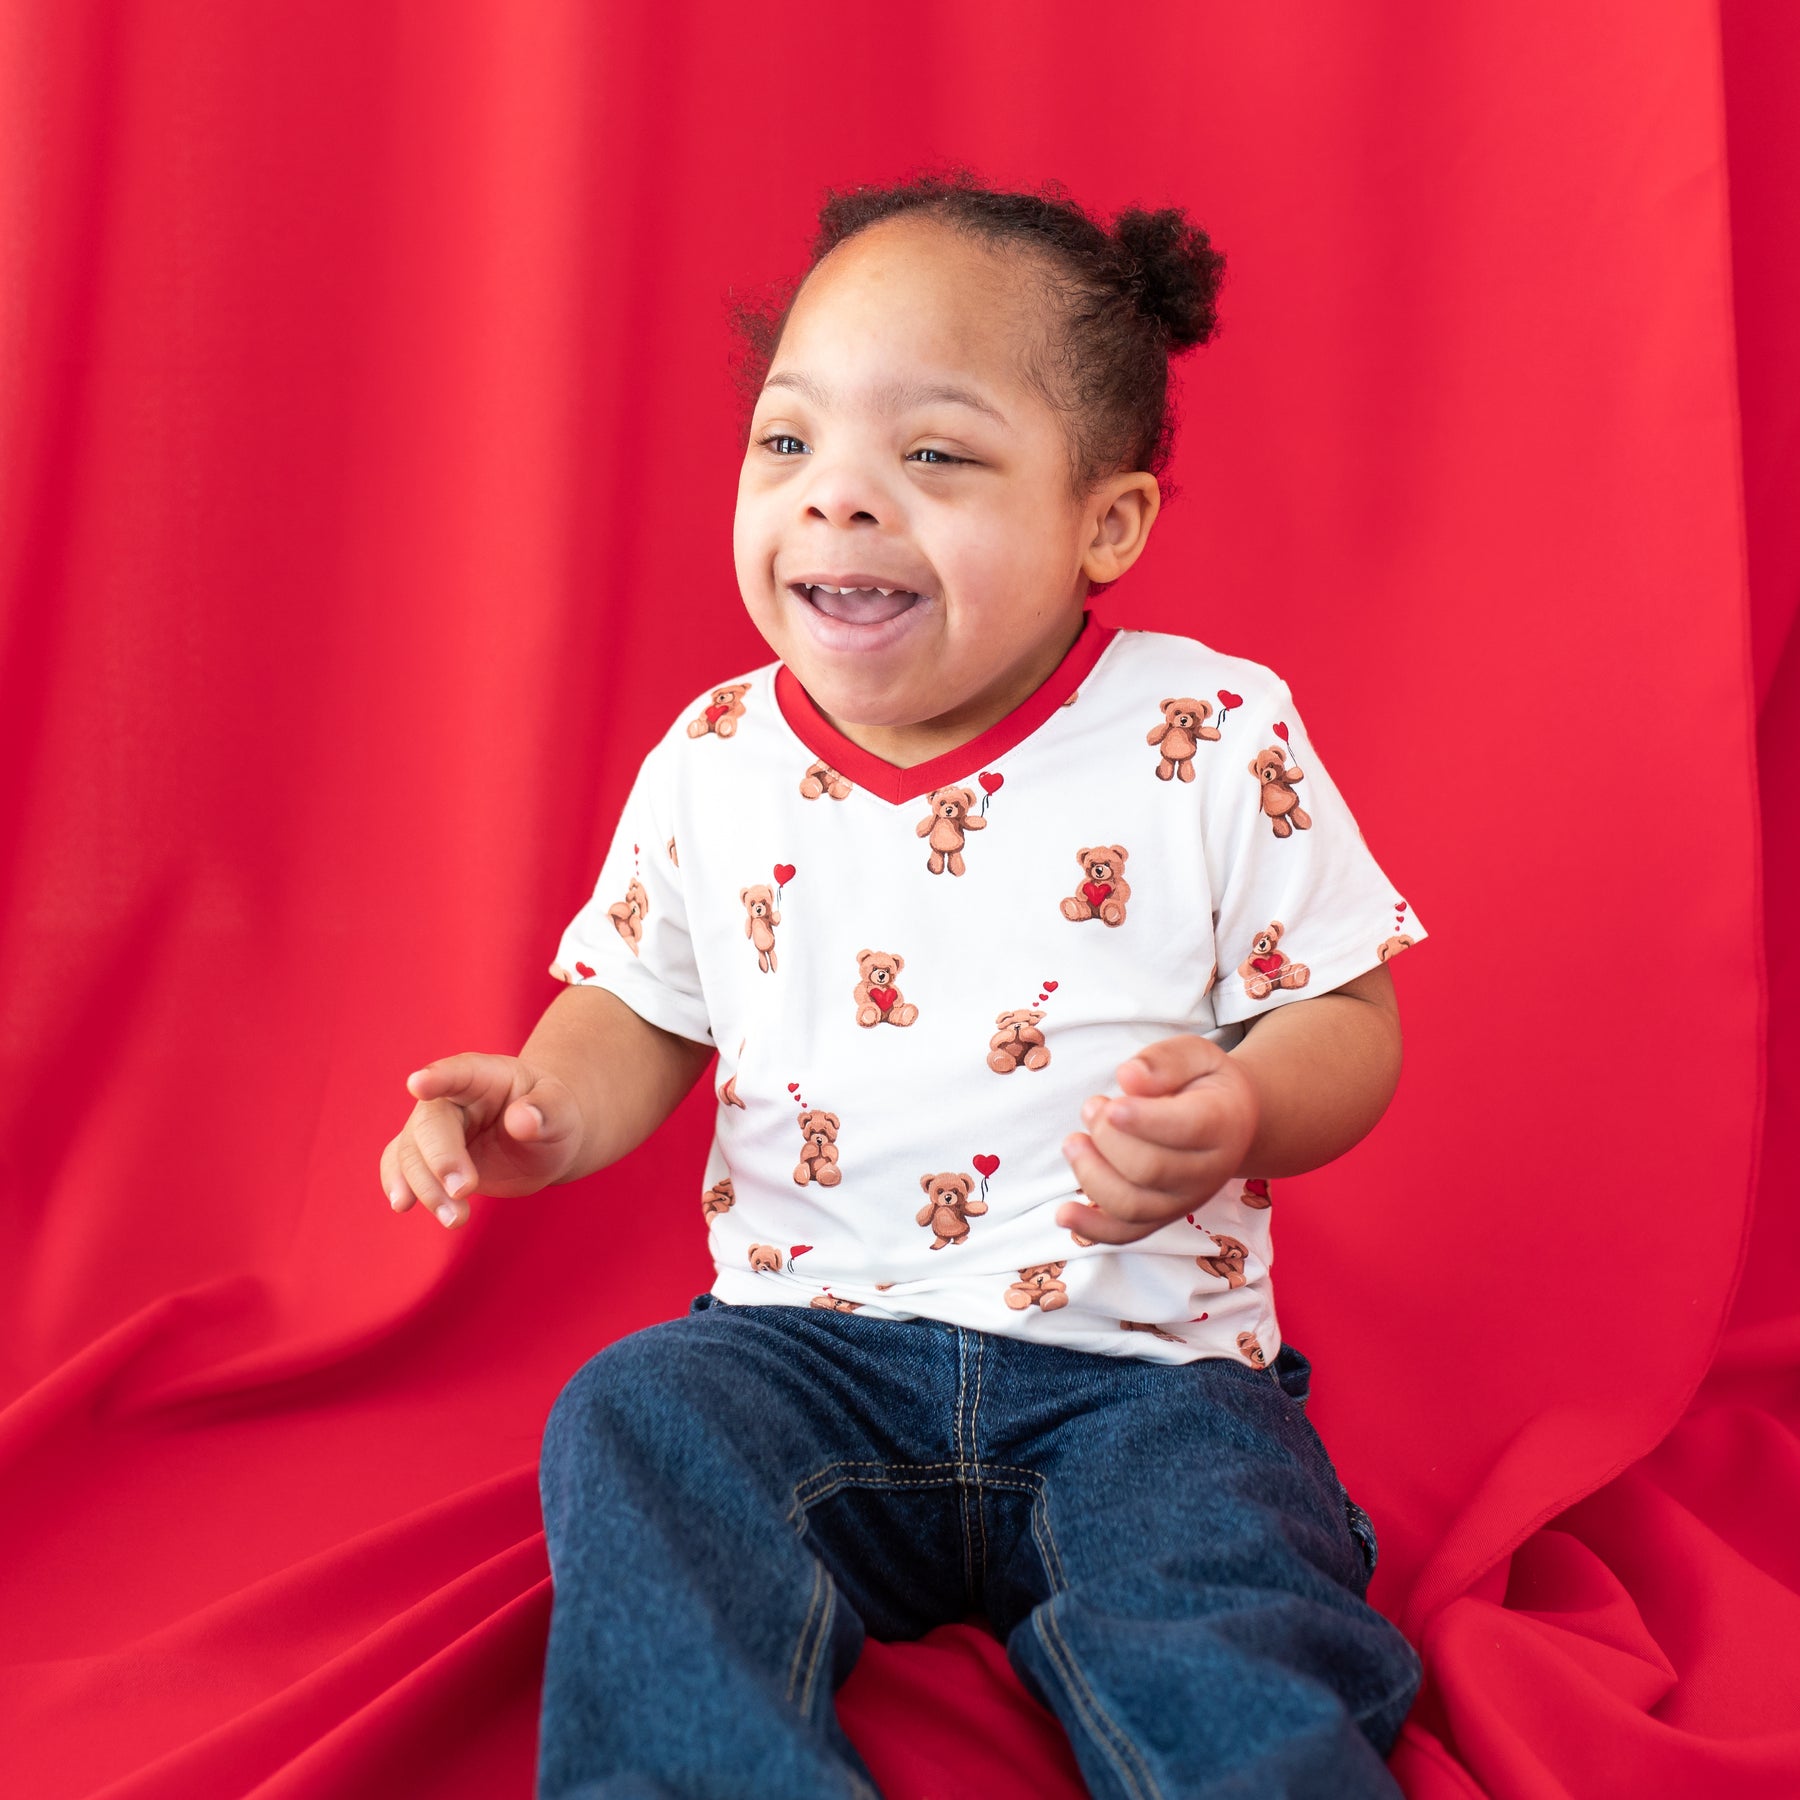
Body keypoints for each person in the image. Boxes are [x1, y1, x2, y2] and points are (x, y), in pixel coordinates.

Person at [380, 166, 1432, 1800]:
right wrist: (545, 1102)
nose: (838, 498)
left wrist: (1242, 1106)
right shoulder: (717, 757)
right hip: (805, 1355)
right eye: (789, 441)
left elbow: (1345, 1021)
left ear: (1109, 522)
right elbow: (645, 1004)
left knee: (1218, 1588)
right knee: (639, 1419)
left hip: (1140, 1382)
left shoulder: (1210, 734)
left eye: (932, 455)